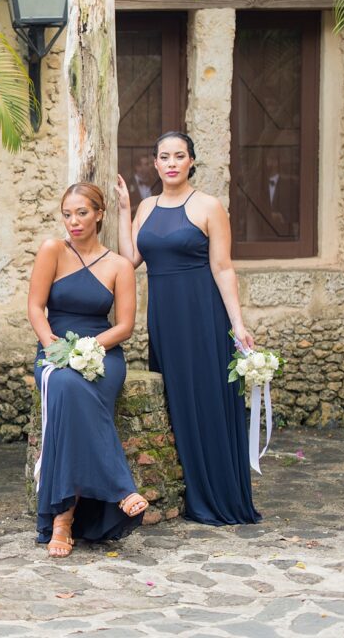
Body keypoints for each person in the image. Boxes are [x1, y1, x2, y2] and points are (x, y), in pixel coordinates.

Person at [116, 131, 261, 526]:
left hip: (202, 315)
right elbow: (129, 260)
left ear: (192, 161)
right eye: (164, 156)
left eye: (179, 156)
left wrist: (238, 325)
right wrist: (124, 209)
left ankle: (217, 495)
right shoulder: (146, 207)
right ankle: (186, 488)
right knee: (176, 402)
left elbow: (223, 268)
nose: (171, 163)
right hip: (164, 318)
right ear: (156, 162)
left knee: (207, 400)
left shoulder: (209, 206)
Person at [27, 183, 147, 558]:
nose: (73, 221)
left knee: (74, 390)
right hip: (55, 348)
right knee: (63, 384)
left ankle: (64, 520)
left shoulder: (119, 265)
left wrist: (93, 347)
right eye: (67, 213)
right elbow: (34, 306)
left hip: (102, 352)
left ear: (99, 214)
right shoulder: (53, 250)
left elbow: (125, 325)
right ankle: (117, 489)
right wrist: (51, 345)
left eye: (81, 213)